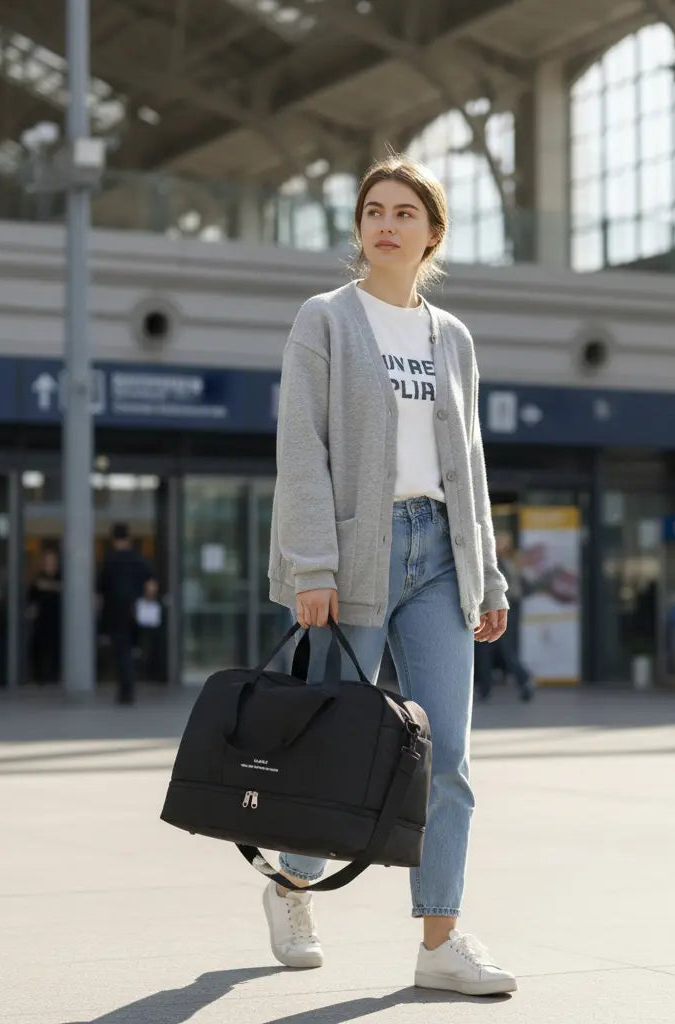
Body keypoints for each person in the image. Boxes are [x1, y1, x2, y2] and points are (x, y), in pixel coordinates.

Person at [262, 155, 516, 996]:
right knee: (335, 744)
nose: (387, 224)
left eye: (405, 212)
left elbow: (469, 466)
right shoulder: (326, 320)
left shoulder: (453, 339)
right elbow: (302, 448)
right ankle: (292, 889)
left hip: (442, 555)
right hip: (353, 551)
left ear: (432, 232)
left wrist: (489, 575)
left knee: (446, 754)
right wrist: (312, 564)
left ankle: (439, 940)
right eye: (374, 209)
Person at [97, 523, 155, 705]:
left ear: (113, 539)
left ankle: (126, 691)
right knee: (131, 650)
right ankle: (128, 688)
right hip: (135, 612)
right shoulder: (139, 559)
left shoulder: (109, 560)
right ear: (128, 538)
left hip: (115, 613)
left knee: (121, 652)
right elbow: (151, 587)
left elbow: (99, 590)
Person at [474, 531, 534, 702]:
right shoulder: (509, 562)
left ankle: (521, 678)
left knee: (495, 648)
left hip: (501, 609)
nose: (499, 545)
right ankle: (488, 688)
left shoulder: (500, 563)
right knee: (491, 649)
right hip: (503, 608)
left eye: (502, 542)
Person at [27, 548, 62, 684]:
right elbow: (31, 597)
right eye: (47, 560)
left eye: (52, 560)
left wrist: (50, 586)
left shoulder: (60, 576)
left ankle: (55, 676)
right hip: (41, 620)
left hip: (57, 620)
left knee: (56, 649)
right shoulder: (38, 577)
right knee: (40, 648)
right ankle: (40, 677)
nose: (50, 563)